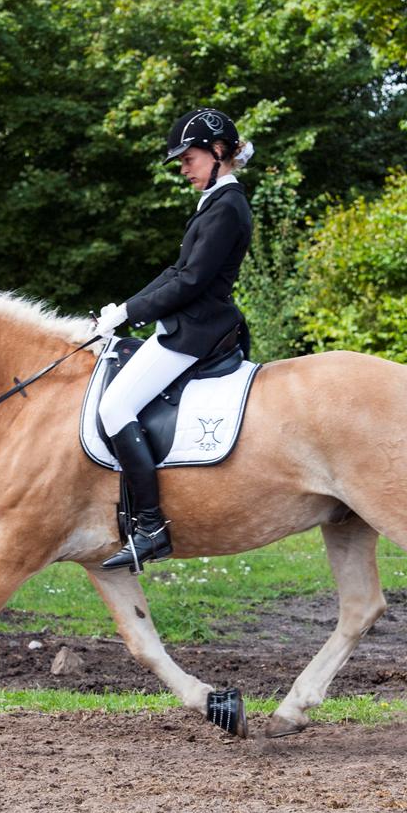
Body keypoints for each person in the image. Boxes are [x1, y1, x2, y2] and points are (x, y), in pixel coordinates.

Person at [94, 107, 254, 570]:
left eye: (189, 158)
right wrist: (122, 309)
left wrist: (130, 313)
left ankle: (150, 527)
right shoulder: (215, 202)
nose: (183, 168)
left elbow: (191, 282)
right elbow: (175, 271)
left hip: (198, 330)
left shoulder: (228, 206)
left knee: (114, 407)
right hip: (189, 323)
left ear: (219, 152)